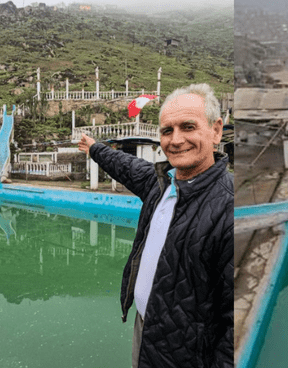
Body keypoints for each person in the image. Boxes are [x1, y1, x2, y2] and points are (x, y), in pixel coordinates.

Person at [78, 83, 233, 368]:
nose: (175, 140)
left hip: (189, 353)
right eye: (166, 131)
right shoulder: (161, 182)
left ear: (216, 130)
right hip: (147, 329)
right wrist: (94, 148)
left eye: (188, 127)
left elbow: (236, 323)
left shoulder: (229, 208)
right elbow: (124, 164)